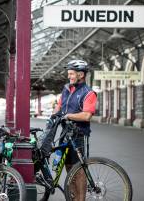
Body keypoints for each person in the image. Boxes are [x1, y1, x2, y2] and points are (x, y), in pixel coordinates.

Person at [54, 60, 97, 201]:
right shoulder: (66, 89)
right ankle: (72, 198)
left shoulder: (89, 93)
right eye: (69, 74)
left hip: (79, 134)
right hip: (65, 133)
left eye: (72, 74)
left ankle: (80, 199)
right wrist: (53, 117)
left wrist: (68, 116)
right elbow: (59, 106)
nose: (69, 77)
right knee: (68, 168)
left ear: (81, 74)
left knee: (78, 170)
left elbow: (86, 115)